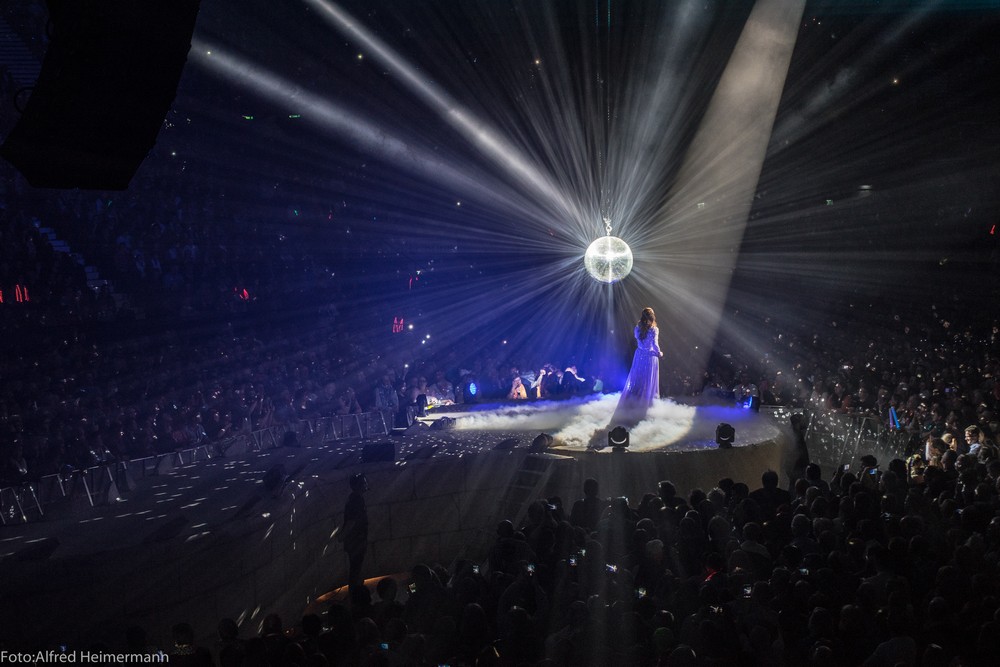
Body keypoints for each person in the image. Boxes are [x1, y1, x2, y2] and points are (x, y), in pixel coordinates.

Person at [612, 307, 663, 423]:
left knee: (638, 379)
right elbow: (655, 344)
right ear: (652, 316)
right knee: (647, 381)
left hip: (639, 356)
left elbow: (640, 343)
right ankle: (646, 406)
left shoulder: (637, 328)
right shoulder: (654, 329)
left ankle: (633, 403)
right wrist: (659, 353)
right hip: (649, 357)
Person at [338, 472, 369, 588]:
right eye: (364, 482)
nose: (366, 484)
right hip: (356, 541)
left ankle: (356, 590)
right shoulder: (356, 500)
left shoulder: (354, 499)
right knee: (356, 568)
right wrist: (342, 536)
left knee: (355, 568)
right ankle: (356, 591)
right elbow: (352, 521)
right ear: (358, 485)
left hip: (355, 541)